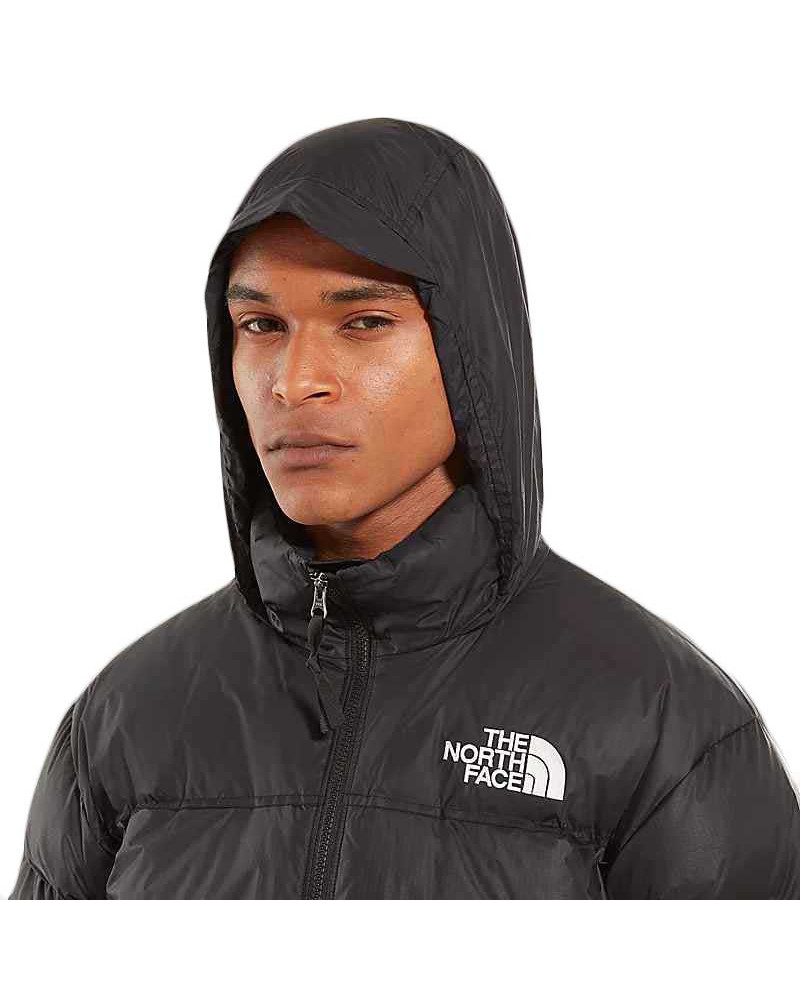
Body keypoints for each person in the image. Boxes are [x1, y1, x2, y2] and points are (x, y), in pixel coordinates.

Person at [8, 117, 800, 899]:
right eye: (261, 325)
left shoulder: (666, 724)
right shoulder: (122, 722)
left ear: (469, 351)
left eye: (364, 322)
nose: (294, 382)